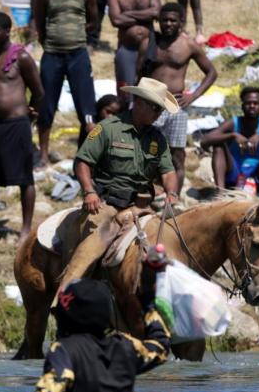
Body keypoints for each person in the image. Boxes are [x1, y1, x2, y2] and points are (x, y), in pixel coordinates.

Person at [0, 276, 170, 392]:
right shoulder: (126, 345)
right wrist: (148, 305)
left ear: (67, 319)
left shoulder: (63, 350)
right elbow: (160, 347)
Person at [64, 78, 179, 283]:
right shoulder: (108, 128)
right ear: (139, 102)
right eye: (155, 107)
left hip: (142, 206)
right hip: (107, 205)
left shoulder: (157, 138)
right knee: (93, 246)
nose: (158, 114)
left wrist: (171, 192)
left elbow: (168, 172)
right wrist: (89, 191)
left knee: (170, 243)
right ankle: (66, 293)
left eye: (161, 109)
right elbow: (82, 161)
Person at [0, 12, 44, 248]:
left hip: (16, 124)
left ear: (7, 32)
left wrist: (31, 111)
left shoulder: (21, 58)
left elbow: (38, 90)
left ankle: (25, 230)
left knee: (24, 178)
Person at [137, 3, 218, 194]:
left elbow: (211, 72)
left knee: (177, 154)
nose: (168, 24)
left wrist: (194, 96)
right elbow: (138, 73)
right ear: (158, 21)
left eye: (173, 20)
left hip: (176, 105)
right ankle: (145, 194)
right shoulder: (149, 43)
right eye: (164, 20)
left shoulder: (189, 45)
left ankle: (173, 198)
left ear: (181, 22)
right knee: (146, 150)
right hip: (151, 103)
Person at [34, 0, 98, 167]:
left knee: (86, 107)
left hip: (78, 55)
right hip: (52, 55)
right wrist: (50, 39)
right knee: (46, 106)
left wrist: (76, 32)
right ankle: (43, 154)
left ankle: (87, 157)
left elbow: (93, 20)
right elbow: (40, 23)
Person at [201, 87, 259, 211]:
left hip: (257, 176)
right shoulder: (233, 123)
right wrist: (232, 135)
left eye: (256, 103)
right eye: (248, 103)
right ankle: (219, 195)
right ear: (242, 106)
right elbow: (204, 142)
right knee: (219, 145)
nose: (252, 106)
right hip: (233, 173)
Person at [107, 0, 159, 105]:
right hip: (127, 49)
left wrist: (127, 15)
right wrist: (145, 16)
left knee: (149, 90)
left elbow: (156, 12)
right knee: (126, 91)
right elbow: (116, 20)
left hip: (149, 48)